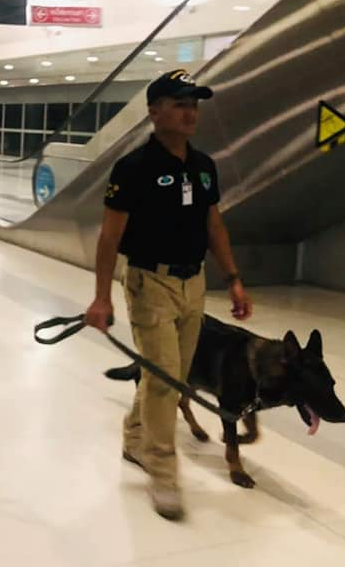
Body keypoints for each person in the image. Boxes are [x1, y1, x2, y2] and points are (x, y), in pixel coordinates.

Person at [84, 69, 253, 521]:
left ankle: (134, 436)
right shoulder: (134, 168)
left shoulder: (203, 166)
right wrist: (101, 298)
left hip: (193, 283)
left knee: (170, 372)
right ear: (154, 111)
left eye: (194, 104)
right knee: (165, 380)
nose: (190, 112)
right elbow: (108, 238)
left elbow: (213, 223)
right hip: (150, 283)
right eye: (180, 103)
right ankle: (162, 470)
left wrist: (233, 276)